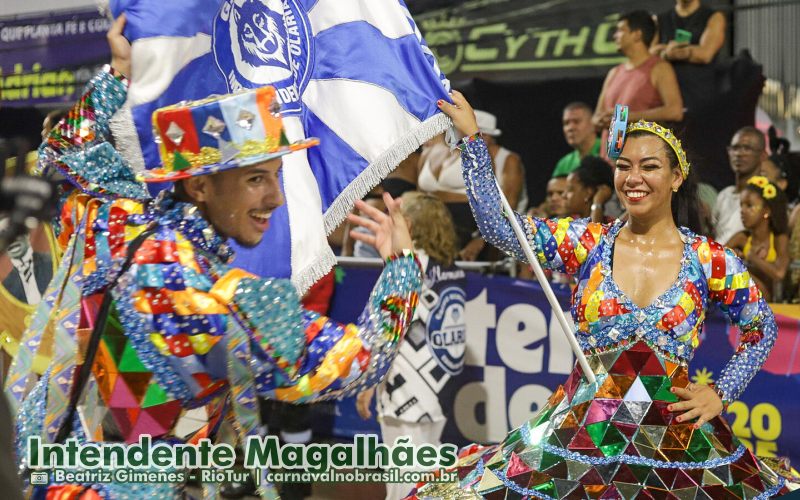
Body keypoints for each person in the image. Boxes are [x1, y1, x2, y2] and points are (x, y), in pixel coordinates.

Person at [6, 16, 421, 499]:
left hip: (50, 475)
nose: (277, 199)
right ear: (199, 186)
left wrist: (117, 74)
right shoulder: (223, 303)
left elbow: (63, 150)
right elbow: (359, 361)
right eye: (255, 179)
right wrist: (403, 269)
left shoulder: (118, 227)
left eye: (275, 176)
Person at [409, 91, 795, 498]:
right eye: (624, 166)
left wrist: (720, 393)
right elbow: (502, 230)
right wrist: (473, 142)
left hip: (676, 447)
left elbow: (760, 330)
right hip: (581, 438)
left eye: (649, 167)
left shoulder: (710, 258)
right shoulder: (587, 242)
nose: (633, 179)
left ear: (676, 177)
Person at [356, 191, 466, 500]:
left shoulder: (408, 269)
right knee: (424, 485)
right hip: (437, 395)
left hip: (404, 395)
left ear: (411, 228)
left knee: (402, 489)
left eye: (397, 218)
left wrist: (368, 384)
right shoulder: (450, 269)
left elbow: (391, 330)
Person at [593, 11, 684, 132]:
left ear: (637, 34)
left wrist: (625, 118)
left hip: (641, 149)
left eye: (621, 30)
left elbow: (675, 111)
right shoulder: (614, 73)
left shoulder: (659, 68)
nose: (615, 36)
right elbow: (596, 117)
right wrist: (599, 120)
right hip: (611, 150)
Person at [651, 0, 726, 114]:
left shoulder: (713, 17)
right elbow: (650, 54)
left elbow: (705, 54)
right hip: (664, 101)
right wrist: (671, 52)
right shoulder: (659, 20)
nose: (616, 36)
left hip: (699, 100)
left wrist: (668, 51)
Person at [727, 176, 789, 302]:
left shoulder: (779, 238)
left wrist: (752, 257)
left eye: (749, 206)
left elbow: (779, 274)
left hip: (771, 306)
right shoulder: (741, 237)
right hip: (743, 303)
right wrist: (733, 256)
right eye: (741, 205)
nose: (742, 211)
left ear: (766, 211)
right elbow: (714, 260)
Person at [714, 127, 768, 245]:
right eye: (735, 148)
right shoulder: (725, 194)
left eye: (747, 148)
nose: (739, 154)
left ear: (763, 155)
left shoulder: (767, 194)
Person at [552, 102, 601, 178]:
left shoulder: (609, 151)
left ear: (592, 123)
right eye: (566, 123)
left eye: (576, 121)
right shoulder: (564, 164)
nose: (570, 128)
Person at [565, 157, 615, 223]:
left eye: (570, 189)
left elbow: (593, 233)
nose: (564, 195)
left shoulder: (612, 225)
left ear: (589, 192)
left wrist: (597, 203)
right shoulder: (568, 223)